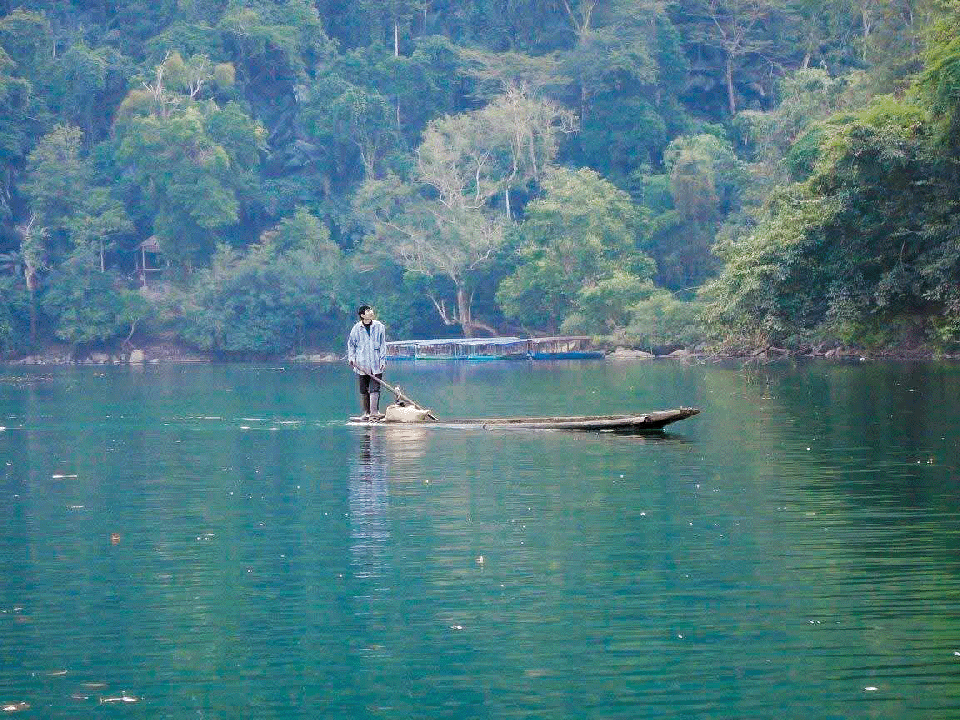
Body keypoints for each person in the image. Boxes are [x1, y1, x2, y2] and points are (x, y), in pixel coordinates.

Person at [347, 305, 387, 420]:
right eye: (368, 311)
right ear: (362, 315)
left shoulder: (379, 326)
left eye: (371, 310)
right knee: (364, 388)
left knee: (375, 387)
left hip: (376, 362)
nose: (371, 312)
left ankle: (374, 412)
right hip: (361, 363)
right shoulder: (356, 328)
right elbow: (351, 344)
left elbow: (383, 344)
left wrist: (383, 360)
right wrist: (351, 358)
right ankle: (367, 413)